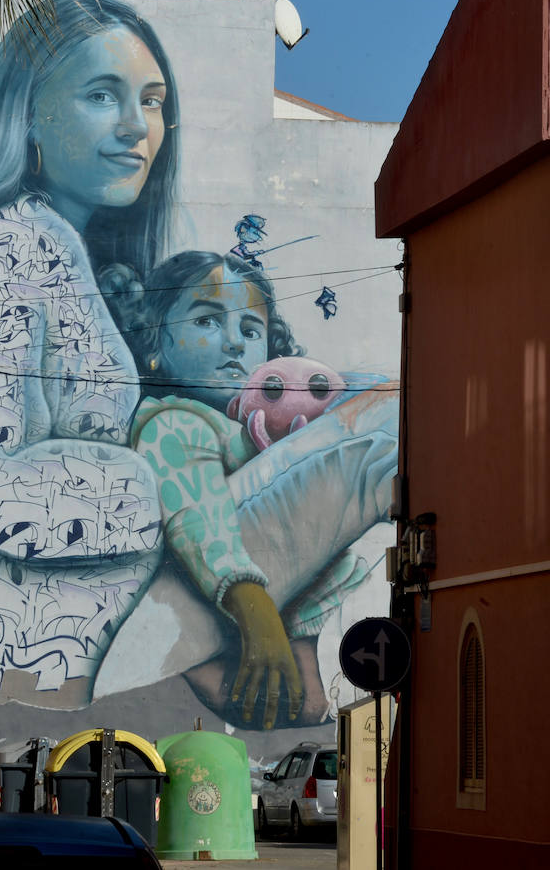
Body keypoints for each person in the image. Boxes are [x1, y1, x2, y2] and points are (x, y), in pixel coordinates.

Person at [0, 0, 296, 716]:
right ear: (30, 114)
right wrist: (163, 483)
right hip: (27, 662)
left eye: (154, 101)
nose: (139, 127)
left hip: (82, 661)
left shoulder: (66, 247)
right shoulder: (9, 249)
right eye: (103, 95)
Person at [114, 250, 396, 727]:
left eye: (250, 330)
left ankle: (298, 641)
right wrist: (257, 614)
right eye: (207, 321)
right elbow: (198, 515)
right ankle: (203, 658)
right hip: (226, 589)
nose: (232, 343)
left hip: (282, 593)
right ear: (153, 344)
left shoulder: (256, 432)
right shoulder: (175, 420)